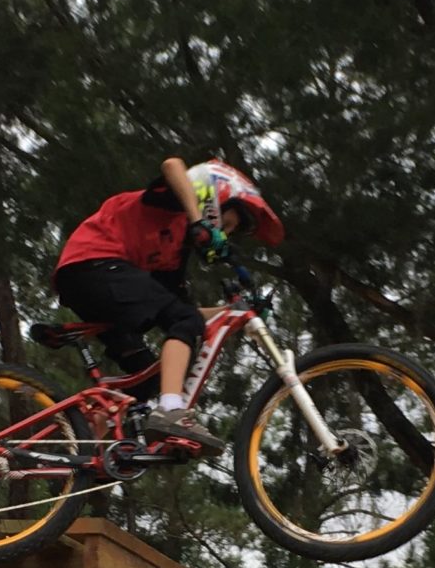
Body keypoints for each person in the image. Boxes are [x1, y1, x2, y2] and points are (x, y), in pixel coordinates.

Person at [52, 155, 284, 450]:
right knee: (183, 321)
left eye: (226, 232)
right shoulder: (172, 204)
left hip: (97, 286)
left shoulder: (173, 255)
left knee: (150, 376)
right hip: (93, 265)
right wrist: (199, 221)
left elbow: (185, 312)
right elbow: (172, 165)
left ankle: (86, 445)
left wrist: (234, 312)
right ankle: (172, 411)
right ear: (213, 197)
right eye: (223, 224)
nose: (222, 234)